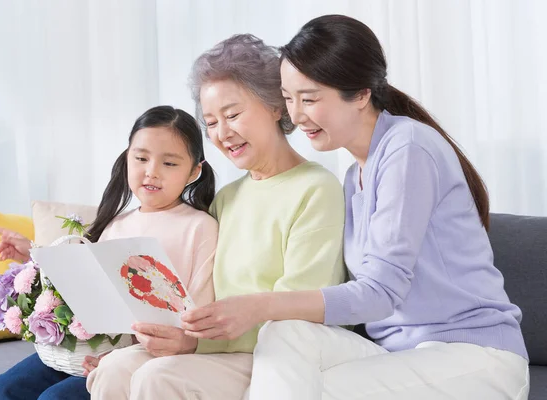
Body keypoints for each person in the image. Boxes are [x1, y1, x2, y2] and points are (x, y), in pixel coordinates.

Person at [182, 15, 530, 400]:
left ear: (361, 94)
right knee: (284, 331)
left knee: (310, 388)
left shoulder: (408, 147)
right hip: (396, 356)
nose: (296, 116)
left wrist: (258, 305)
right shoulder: (353, 178)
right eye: (289, 98)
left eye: (310, 98)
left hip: (474, 358)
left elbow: (380, 292)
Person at [87, 34, 346, 399]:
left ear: (276, 106)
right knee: (113, 368)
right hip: (212, 347)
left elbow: (298, 314)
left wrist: (195, 344)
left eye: (233, 114)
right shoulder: (227, 198)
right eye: (210, 122)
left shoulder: (316, 188)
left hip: (273, 355)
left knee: (157, 378)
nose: (222, 133)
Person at [0, 105, 218, 400]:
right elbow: (83, 283)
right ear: (127, 158)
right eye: (141, 158)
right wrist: (31, 253)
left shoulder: (200, 227)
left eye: (169, 163)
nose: (151, 172)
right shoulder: (116, 224)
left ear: (194, 171)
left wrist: (123, 357)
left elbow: (198, 314)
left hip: (144, 358)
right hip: (86, 349)